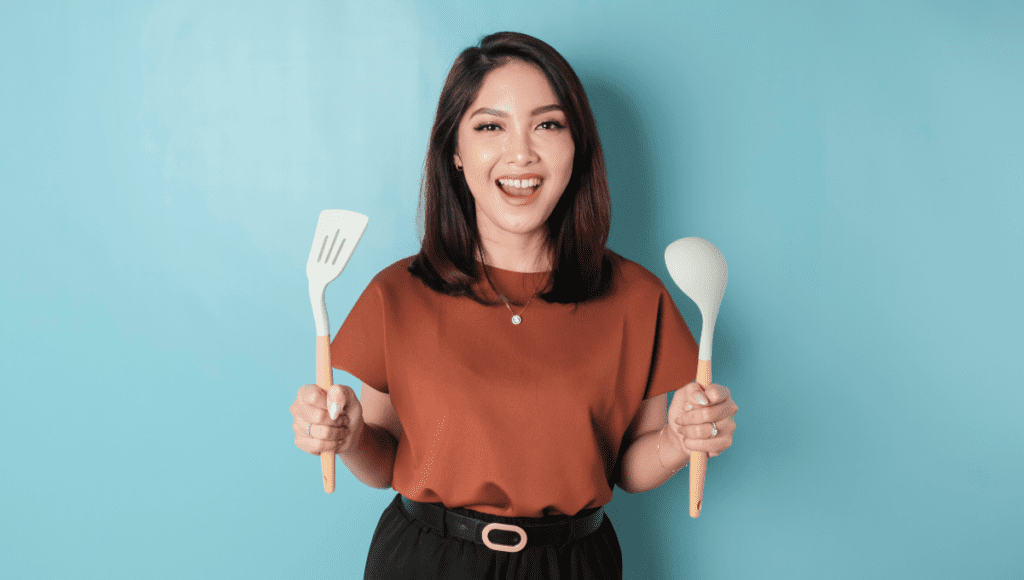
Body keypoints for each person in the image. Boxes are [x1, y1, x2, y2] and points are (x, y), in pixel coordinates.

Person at [290, 31, 738, 579]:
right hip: (425, 561)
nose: (521, 153)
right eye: (490, 126)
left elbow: (628, 466)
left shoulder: (636, 297)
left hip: (574, 564)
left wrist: (677, 439)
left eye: (548, 124)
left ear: (578, 146)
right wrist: (350, 435)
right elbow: (385, 463)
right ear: (454, 151)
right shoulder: (398, 293)